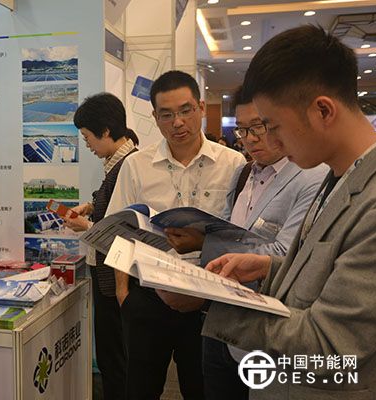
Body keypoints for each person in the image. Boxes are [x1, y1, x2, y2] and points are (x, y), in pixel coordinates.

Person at [157, 25, 376, 399]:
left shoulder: (369, 200)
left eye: (273, 126)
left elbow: (333, 350)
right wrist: (269, 267)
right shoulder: (339, 177)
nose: (269, 141)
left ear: (323, 110)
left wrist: (212, 301)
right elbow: (327, 271)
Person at [166, 86, 327, 399]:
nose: (250, 138)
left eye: (259, 127)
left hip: (268, 330)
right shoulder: (243, 172)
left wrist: (203, 244)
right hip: (220, 322)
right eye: (242, 129)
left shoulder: (312, 177)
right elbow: (226, 230)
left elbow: (286, 254)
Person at [106, 70, 245, 399]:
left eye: (185, 110)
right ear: (155, 117)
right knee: (140, 389)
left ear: (200, 107)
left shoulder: (233, 164)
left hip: (208, 300)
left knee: (203, 389)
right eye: (166, 114)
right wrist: (124, 294)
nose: (177, 122)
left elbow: (242, 234)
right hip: (149, 296)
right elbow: (118, 230)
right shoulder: (137, 165)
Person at [62, 92, 138, 400]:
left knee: (115, 357)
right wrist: (92, 207)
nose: (88, 145)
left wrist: (86, 226)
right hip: (109, 275)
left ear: (105, 131)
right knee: (114, 355)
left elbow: (125, 232)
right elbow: (114, 207)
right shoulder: (118, 163)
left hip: (116, 279)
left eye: (87, 137)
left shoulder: (129, 166)